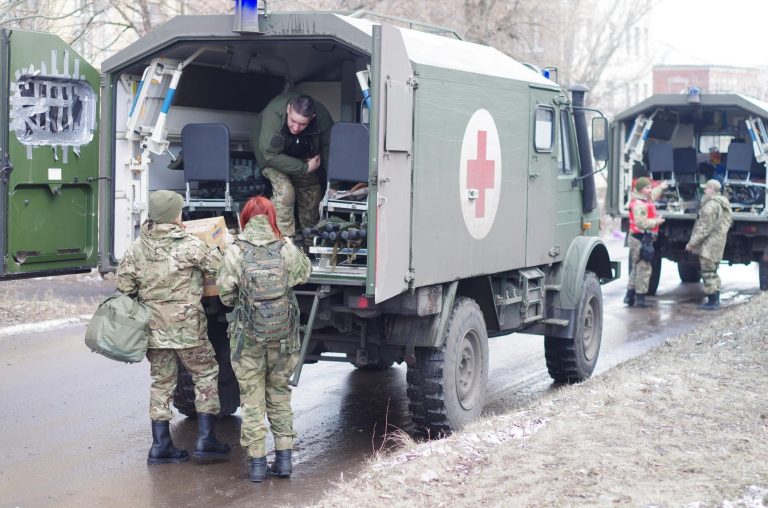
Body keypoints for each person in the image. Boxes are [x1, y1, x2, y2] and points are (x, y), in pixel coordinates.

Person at [116, 190, 231, 465]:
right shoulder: (190, 245)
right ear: (173, 215)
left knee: (162, 383)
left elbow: (123, 287)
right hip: (188, 328)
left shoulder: (136, 248)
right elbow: (220, 267)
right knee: (204, 375)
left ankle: (160, 445)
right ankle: (206, 440)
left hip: (153, 330)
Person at [217, 196, 311, 482]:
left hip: (248, 339)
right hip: (283, 337)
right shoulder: (285, 247)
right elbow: (303, 276)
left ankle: (257, 465)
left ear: (245, 218)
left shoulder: (235, 250)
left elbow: (225, 294)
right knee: (280, 396)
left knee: (252, 401)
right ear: (271, 217)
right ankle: (284, 461)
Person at [250, 93, 334, 242]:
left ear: (312, 117)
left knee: (312, 190)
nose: (296, 128)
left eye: (302, 124)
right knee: (285, 191)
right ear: (288, 109)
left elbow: (329, 149)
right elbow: (270, 154)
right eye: (293, 121)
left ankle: (311, 244)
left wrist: (333, 184)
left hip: (300, 153)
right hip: (271, 155)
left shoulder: (322, 117)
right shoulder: (273, 114)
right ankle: (283, 244)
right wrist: (304, 168)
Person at [685, 179, 733, 310]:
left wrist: (691, 243)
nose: (704, 190)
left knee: (707, 272)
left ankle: (712, 302)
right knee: (713, 272)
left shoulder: (711, 206)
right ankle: (715, 300)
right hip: (718, 242)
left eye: (706, 188)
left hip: (709, 244)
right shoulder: (723, 204)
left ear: (712, 189)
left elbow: (704, 228)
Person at [624, 177, 666, 308]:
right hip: (640, 238)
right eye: (648, 188)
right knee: (644, 268)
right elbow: (641, 223)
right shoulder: (639, 204)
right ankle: (640, 299)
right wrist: (657, 222)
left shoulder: (643, 199)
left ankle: (630, 296)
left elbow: (653, 194)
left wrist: (661, 187)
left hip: (640, 238)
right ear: (642, 189)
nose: (650, 190)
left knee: (636, 268)